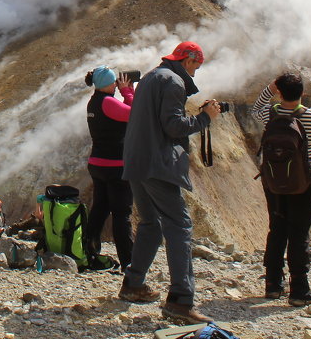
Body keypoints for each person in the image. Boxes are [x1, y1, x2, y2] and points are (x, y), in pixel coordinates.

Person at [120, 41, 221, 324]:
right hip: (157, 164)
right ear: (188, 60)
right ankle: (180, 300)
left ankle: (133, 284)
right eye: (196, 67)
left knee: (151, 223)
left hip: (136, 162)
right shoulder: (175, 82)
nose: (195, 73)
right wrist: (205, 118)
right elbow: (174, 126)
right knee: (179, 225)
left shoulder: (153, 76)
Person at [253, 72, 311, 307]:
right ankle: (299, 289)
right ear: (302, 92)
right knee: (299, 233)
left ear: (279, 91)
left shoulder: (270, 114)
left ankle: (273, 284)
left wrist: (270, 89)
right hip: (304, 183)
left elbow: (256, 108)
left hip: (274, 182)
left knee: (277, 230)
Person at [84, 65, 137, 271]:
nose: (117, 84)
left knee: (100, 208)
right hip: (115, 166)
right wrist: (128, 92)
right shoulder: (108, 102)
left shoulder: (93, 102)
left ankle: (89, 251)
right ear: (108, 84)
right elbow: (134, 114)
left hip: (97, 164)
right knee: (121, 213)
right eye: (115, 81)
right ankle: (128, 261)